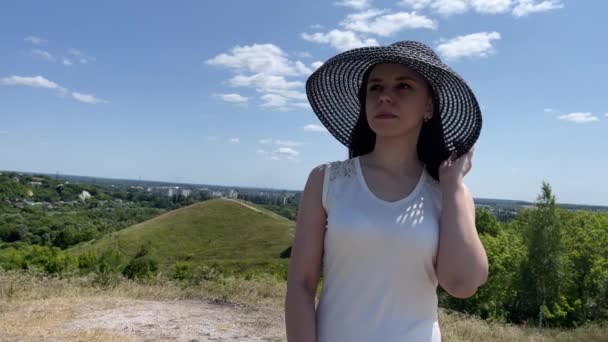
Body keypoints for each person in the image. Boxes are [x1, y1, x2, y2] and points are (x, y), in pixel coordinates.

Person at [284, 41, 489, 342]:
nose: (385, 97)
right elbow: (300, 284)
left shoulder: (449, 195)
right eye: (375, 88)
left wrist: (452, 185)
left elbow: (462, 283)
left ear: (429, 106)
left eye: (403, 86)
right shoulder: (328, 180)